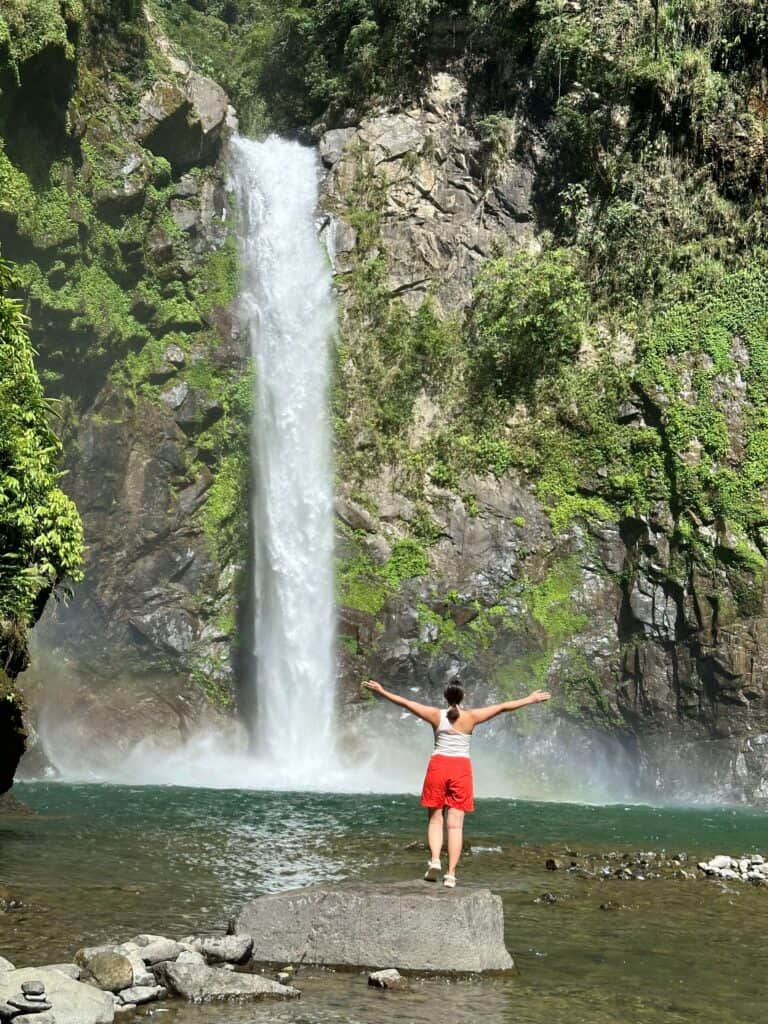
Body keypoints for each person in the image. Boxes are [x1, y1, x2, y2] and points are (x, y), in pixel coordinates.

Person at [362, 678, 551, 888]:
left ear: (446, 697)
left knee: (435, 820)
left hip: (438, 766)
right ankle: (451, 874)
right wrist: (531, 698)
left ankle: (434, 860)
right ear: (463, 696)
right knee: (455, 826)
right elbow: (503, 707)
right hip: (460, 770)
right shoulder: (471, 717)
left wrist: (382, 690)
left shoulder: (435, 715)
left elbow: (405, 703)